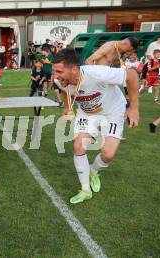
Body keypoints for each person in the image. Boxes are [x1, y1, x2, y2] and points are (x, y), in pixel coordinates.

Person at [53, 48, 139, 204]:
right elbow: (65, 90)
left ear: (74, 69)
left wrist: (134, 108)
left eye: (59, 71)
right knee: (79, 146)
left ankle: (93, 171)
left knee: (108, 154)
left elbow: (132, 75)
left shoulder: (97, 73)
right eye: (54, 71)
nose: (55, 76)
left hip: (113, 111)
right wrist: (67, 106)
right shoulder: (60, 80)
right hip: (87, 113)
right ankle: (85, 190)